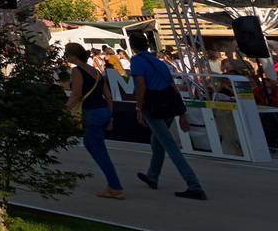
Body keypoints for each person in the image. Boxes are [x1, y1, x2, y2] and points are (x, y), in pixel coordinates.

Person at [127, 31, 208, 201]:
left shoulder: (137, 62)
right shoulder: (159, 63)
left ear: (133, 47)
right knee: (157, 141)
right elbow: (173, 87)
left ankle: (194, 185)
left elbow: (140, 85)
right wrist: (182, 112)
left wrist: (139, 107)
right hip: (169, 105)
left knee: (169, 145)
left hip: (153, 106)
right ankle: (152, 175)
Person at [64, 42, 124, 199]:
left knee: (99, 151)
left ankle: (115, 187)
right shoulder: (96, 71)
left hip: (91, 113)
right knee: (92, 145)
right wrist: (110, 116)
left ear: (72, 55)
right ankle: (113, 185)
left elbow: (76, 94)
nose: (65, 57)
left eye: (67, 54)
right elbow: (108, 96)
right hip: (103, 110)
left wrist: (65, 109)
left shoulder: (76, 71)